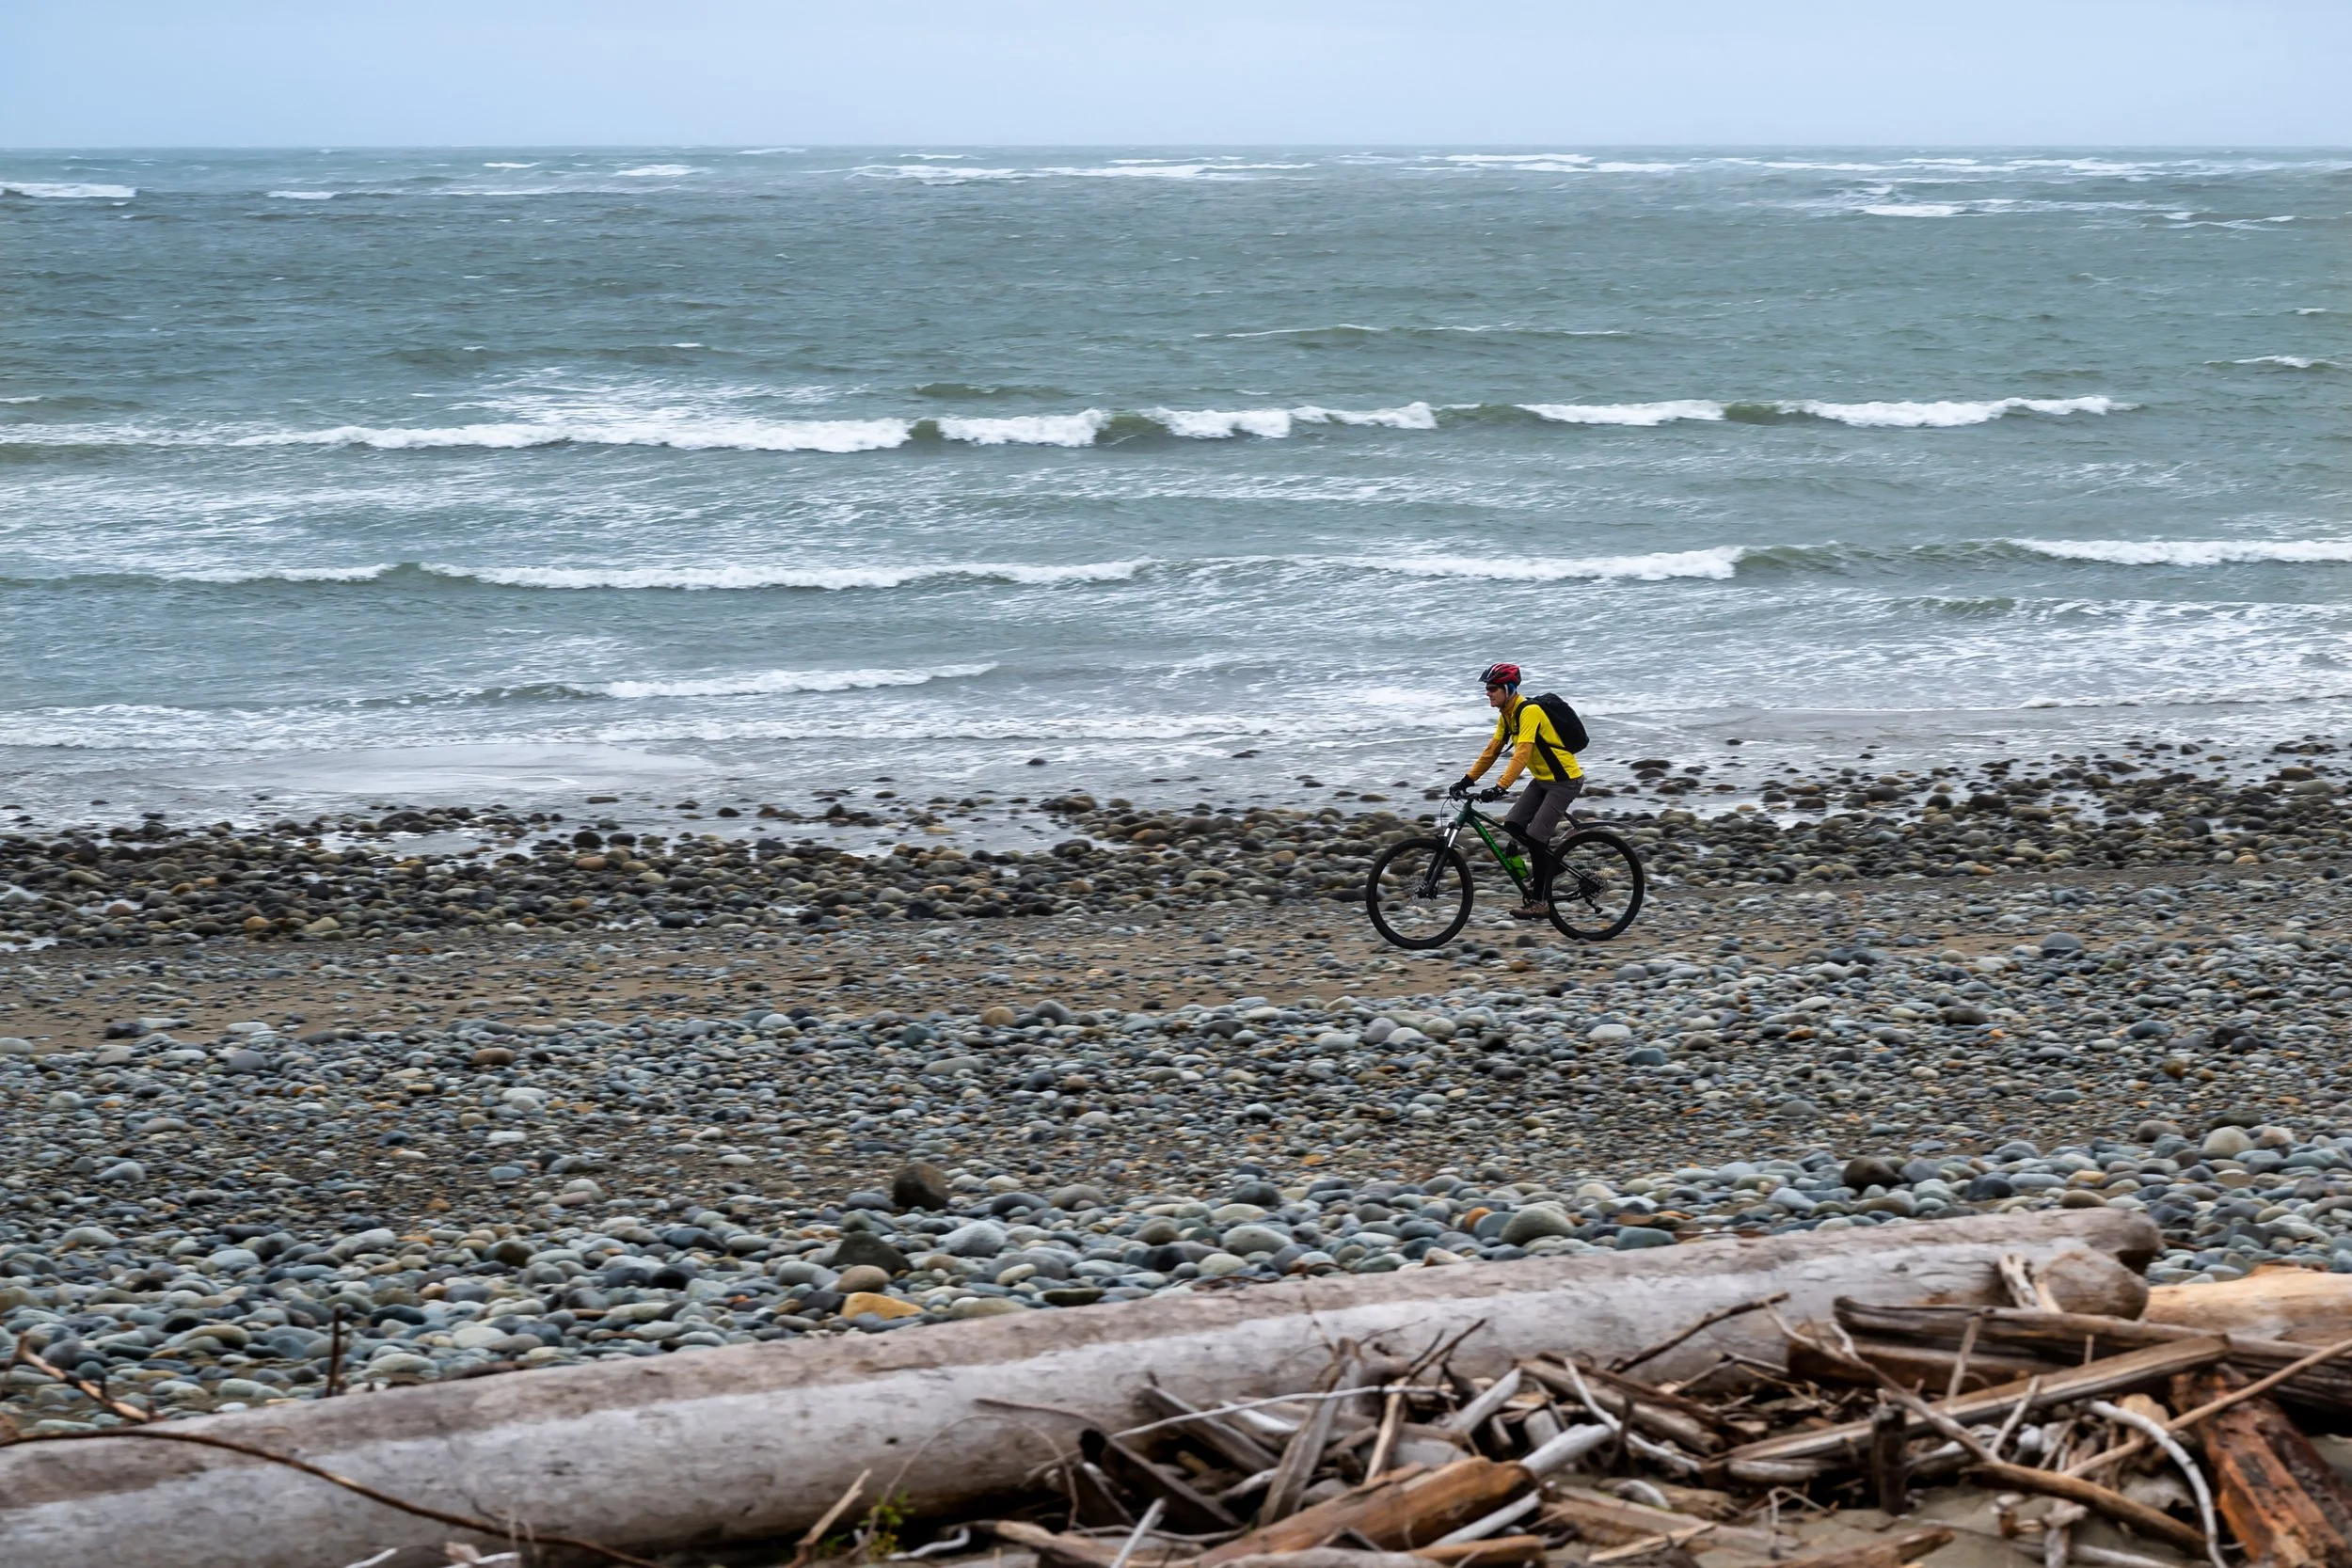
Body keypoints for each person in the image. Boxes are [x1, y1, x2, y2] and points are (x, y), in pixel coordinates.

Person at [1452, 662, 1583, 919]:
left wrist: (1501, 786)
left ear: (1508, 689)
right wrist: (1466, 780)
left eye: (1492, 689)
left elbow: (1522, 753)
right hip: (1542, 780)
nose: (1487, 693)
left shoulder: (1529, 711)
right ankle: (1549, 866)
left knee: (1535, 837)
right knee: (1512, 824)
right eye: (1487, 689)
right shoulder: (1507, 715)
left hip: (1564, 781)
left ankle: (1541, 902)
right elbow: (1492, 751)